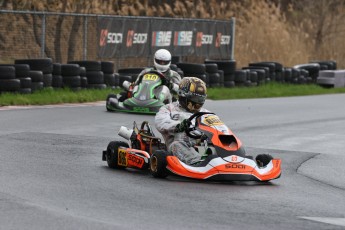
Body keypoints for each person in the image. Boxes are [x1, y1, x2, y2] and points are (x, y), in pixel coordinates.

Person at [155, 77, 209, 165]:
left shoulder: (205, 113)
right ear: (183, 95)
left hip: (201, 145)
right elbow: (160, 122)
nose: (197, 103)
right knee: (176, 145)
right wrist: (178, 126)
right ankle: (197, 163)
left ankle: (227, 160)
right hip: (178, 144)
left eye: (200, 99)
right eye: (195, 99)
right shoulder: (169, 108)